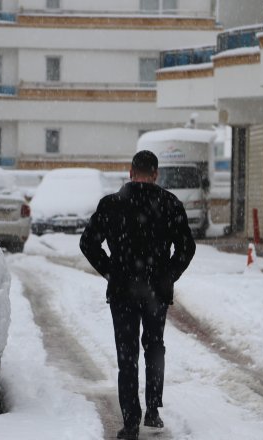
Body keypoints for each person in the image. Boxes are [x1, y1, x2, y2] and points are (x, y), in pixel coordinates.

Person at [80, 150, 196, 440]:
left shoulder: (112, 204)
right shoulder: (170, 204)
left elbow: (88, 243)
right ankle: (153, 409)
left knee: (127, 354)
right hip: (156, 290)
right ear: (155, 174)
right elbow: (187, 248)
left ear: (131, 172)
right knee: (154, 347)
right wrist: (168, 274)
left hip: (122, 291)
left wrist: (111, 270)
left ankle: (131, 421)